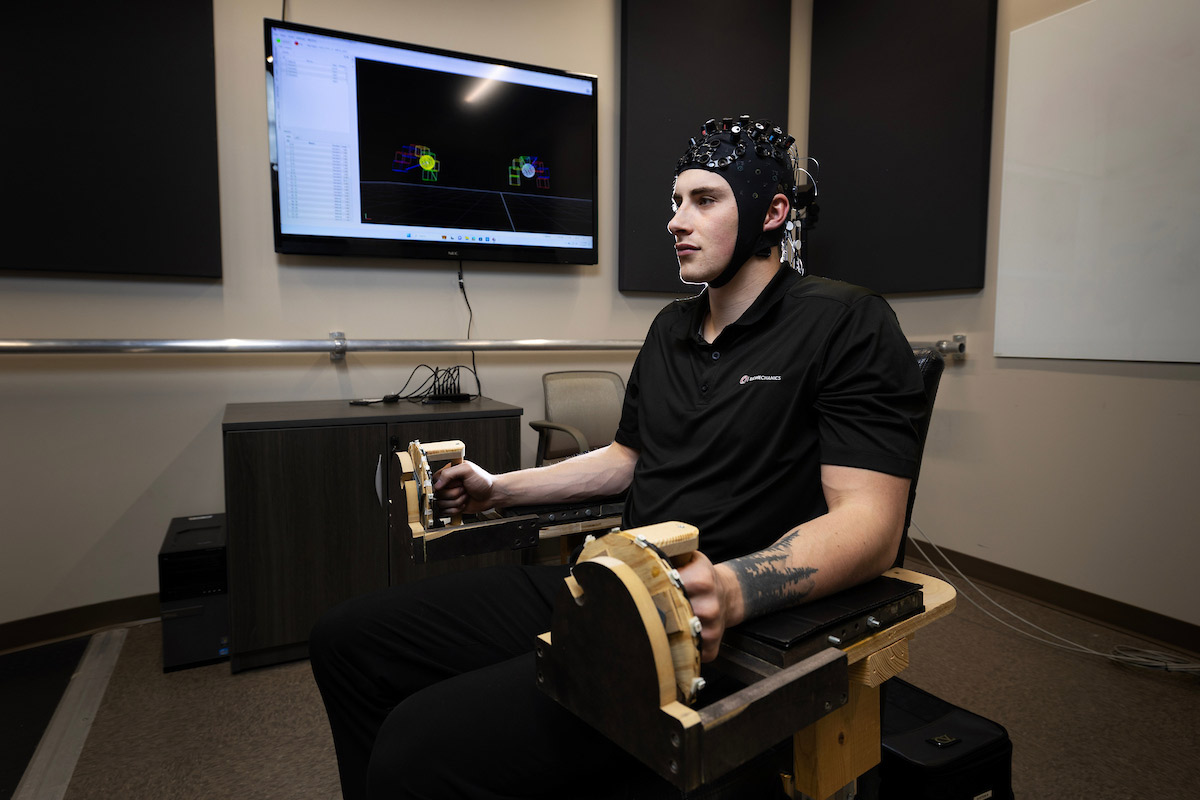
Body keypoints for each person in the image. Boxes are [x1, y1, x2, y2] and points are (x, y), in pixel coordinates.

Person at [310, 116, 927, 799]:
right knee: (348, 643)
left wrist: (729, 587)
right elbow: (627, 457)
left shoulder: (845, 322)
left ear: (772, 213)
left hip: (711, 630)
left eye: (704, 199)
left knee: (415, 747)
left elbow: (871, 524)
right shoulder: (671, 328)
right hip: (608, 580)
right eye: (674, 202)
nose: (676, 221)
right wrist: (498, 488)